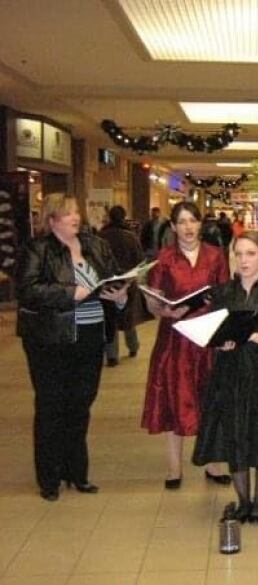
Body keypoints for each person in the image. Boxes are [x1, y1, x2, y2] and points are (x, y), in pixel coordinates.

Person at [16, 193, 128, 501]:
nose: (75, 218)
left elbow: (112, 278)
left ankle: (76, 472)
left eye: (76, 212)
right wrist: (71, 293)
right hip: (50, 339)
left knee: (81, 405)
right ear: (51, 219)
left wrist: (119, 296)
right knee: (52, 406)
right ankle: (49, 478)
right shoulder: (37, 249)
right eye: (67, 214)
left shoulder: (95, 245)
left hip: (90, 336)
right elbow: (27, 290)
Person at [192, 232, 258, 523]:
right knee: (236, 437)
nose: (244, 260)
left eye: (251, 253)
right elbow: (212, 333)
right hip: (231, 374)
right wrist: (220, 340)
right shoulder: (224, 293)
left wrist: (250, 335)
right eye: (239, 254)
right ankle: (243, 501)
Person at [141, 201, 231, 489]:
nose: (188, 227)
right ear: (172, 227)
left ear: (201, 224)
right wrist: (165, 310)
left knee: (211, 400)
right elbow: (153, 301)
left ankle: (214, 464)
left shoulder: (216, 256)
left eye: (192, 221)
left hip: (207, 337)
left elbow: (225, 294)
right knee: (174, 399)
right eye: (182, 222)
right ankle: (174, 468)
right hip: (175, 338)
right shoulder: (164, 257)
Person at [99, 205, 147, 366]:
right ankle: (133, 346)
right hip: (127, 281)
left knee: (109, 318)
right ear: (124, 216)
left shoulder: (101, 236)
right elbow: (140, 259)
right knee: (128, 315)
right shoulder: (130, 237)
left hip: (106, 282)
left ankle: (112, 355)